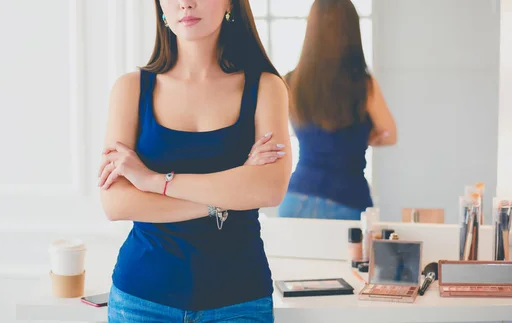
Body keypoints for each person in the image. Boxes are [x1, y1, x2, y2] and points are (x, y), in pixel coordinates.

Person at [97, 0, 292, 322]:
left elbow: (268, 190)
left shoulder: (267, 88)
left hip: (239, 299)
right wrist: (225, 200)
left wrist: (153, 182)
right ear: (161, 8)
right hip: (142, 299)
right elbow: (117, 203)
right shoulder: (130, 89)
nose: (185, 3)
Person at [278, 0, 397, 221]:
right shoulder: (363, 85)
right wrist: (363, 138)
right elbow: (390, 134)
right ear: (351, 31)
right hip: (347, 201)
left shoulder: (290, 82)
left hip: (295, 199)